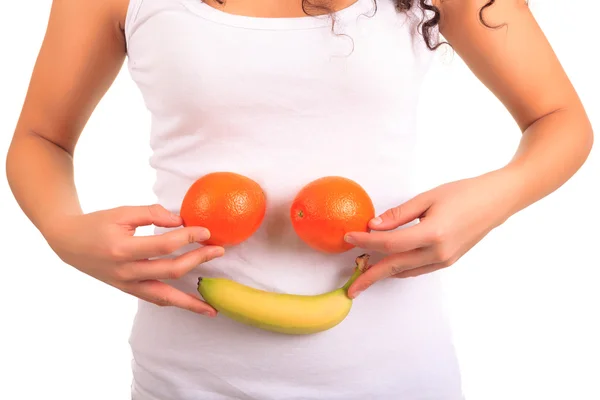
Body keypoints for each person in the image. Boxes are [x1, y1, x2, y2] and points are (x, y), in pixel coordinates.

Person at [5, 0, 593, 398]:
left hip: (394, 372)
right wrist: (61, 229)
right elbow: (42, 137)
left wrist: (493, 199)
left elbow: (560, 119)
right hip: (187, 375)